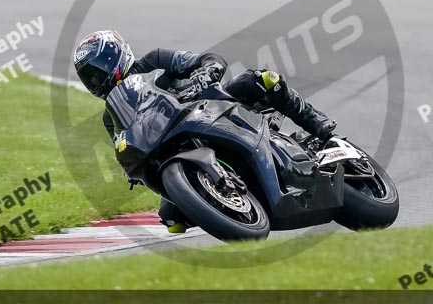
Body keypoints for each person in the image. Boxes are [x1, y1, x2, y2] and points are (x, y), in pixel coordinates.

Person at [73, 30, 337, 233]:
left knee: (262, 81)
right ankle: (229, 202)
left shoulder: (154, 60)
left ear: (116, 57)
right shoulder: (110, 115)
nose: (96, 81)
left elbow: (205, 59)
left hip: (213, 108)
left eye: (98, 70)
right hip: (173, 147)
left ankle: (323, 129)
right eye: (89, 78)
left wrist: (206, 71)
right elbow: (124, 142)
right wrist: (131, 165)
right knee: (171, 219)